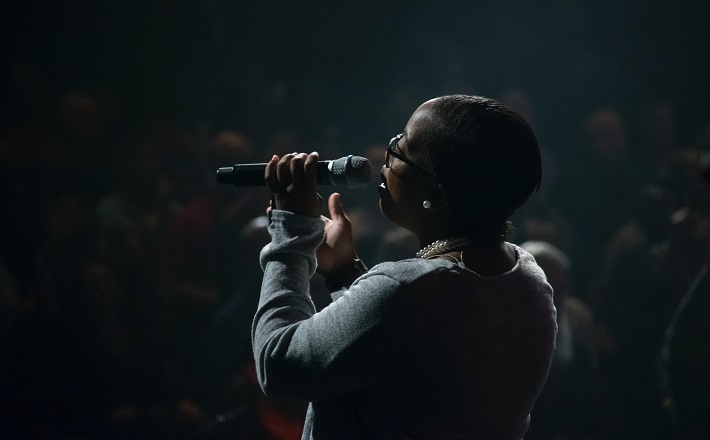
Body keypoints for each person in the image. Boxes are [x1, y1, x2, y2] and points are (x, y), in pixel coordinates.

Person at [251, 95, 557, 439]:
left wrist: (291, 234)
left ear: (437, 195)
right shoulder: (530, 280)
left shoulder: (407, 291)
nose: (387, 153)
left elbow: (277, 364)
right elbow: (402, 356)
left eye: (403, 147)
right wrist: (345, 272)